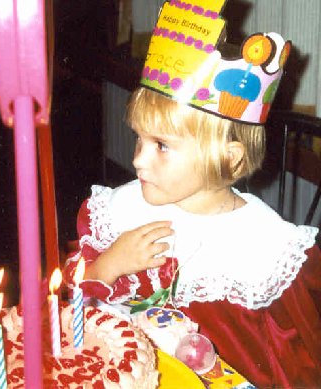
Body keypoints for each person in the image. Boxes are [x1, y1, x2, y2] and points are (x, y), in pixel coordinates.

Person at [64, 1, 321, 387]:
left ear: (228, 159)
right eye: (139, 138)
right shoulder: (122, 208)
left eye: (161, 145)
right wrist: (106, 267)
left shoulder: (267, 250)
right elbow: (66, 305)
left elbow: (289, 368)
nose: (139, 161)